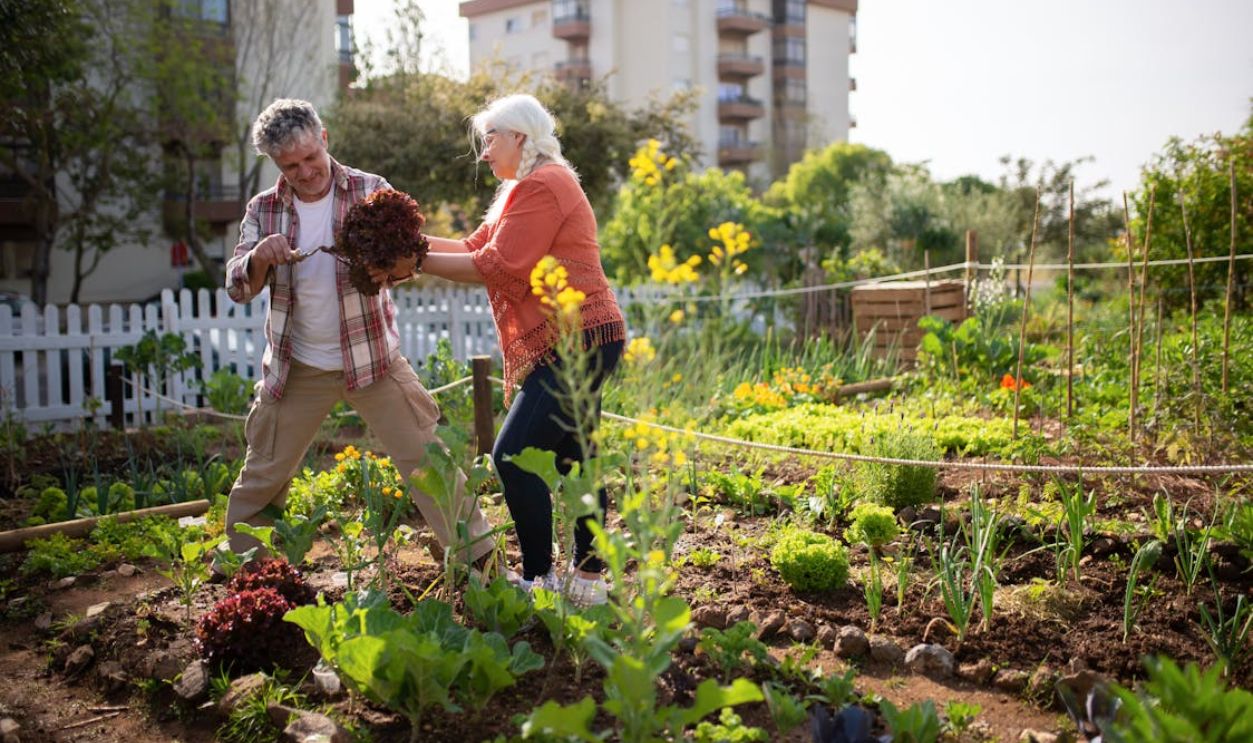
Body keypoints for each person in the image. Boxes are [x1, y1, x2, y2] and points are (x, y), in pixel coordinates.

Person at [371, 94, 626, 606]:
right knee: (579, 457)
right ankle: (591, 579)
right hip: (578, 338)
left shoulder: (546, 183)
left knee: (511, 457)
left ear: (520, 138)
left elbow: (500, 265)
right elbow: (473, 248)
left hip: (575, 341)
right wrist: (405, 241)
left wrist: (411, 259)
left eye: (491, 139)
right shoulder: (523, 189)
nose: (485, 152)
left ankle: (540, 579)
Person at [223, 98, 492, 568]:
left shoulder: (371, 191)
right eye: (291, 166)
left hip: (374, 361)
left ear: (323, 139)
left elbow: (408, 262)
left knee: (430, 464)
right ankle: (245, 576)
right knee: (264, 474)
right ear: (275, 163)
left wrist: (388, 264)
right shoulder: (263, 210)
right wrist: (259, 258)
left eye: (310, 157)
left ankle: (481, 565)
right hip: (297, 367)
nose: (305, 171)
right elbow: (237, 287)